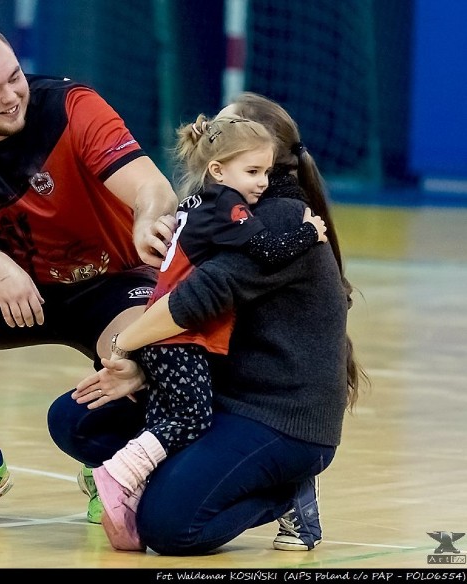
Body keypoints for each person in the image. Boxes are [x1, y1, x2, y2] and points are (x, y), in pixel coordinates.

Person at [49, 92, 368, 554]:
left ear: (263, 156)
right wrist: (144, 370)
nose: (210, 137)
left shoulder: (279, 217)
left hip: (281, 418)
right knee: (76, 419)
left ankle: (287, 490)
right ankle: (186, 477)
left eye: (225, 130)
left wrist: (125, 345)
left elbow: (199, 298)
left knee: (168, 529)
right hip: (222, 390)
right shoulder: (219, 203)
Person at [0, 19, 178, 522]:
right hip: (19, 289)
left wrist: (146, 221)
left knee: (153, 345)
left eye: (14, 77)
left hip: (112, 283)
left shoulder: (72, 107)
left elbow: (153, 188)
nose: (10, 96)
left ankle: (115, 466)